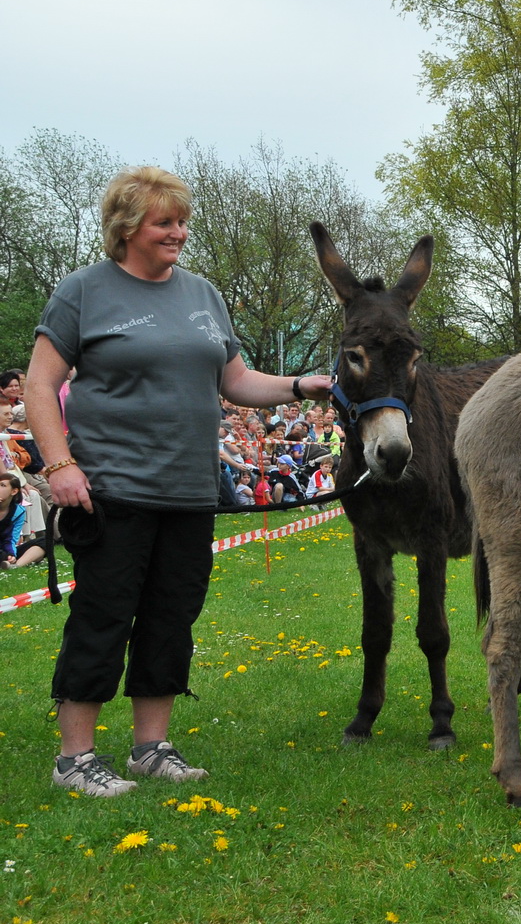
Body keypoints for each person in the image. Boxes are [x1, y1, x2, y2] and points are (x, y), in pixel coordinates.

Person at [25, 165, 333, 797]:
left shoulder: (202, 295)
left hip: (190, 490)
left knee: (172, 616)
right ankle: (74, 758)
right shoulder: (84, 291)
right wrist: (60, 466)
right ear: (128, 226)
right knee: (104, 616)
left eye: (182, 221)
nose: (179, 233)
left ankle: (150, 747)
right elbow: (37, 383)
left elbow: (236, 382)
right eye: (165, 222)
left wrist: (302, 385)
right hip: (110, 489)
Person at [1, 470, 48, 570]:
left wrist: (11, 554)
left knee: (45, 541)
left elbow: (12, 538)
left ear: (14, 491)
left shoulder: (18, 511)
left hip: (4, 548)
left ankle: (15, 565)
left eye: (2, 485)